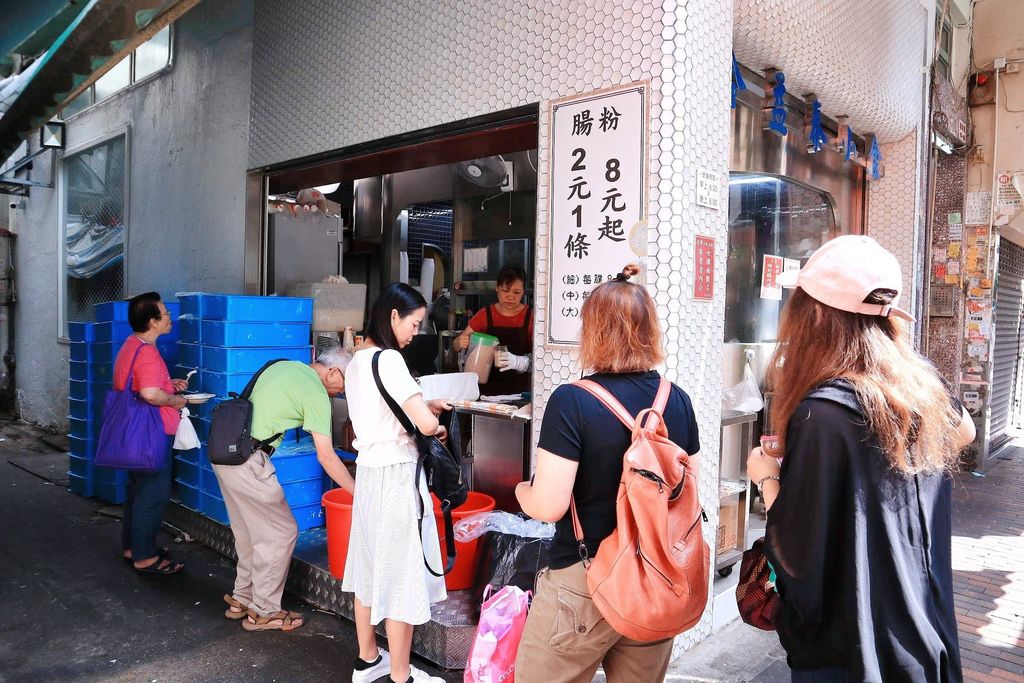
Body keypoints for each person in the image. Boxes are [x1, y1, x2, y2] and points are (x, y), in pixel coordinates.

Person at [745, 235, 976, 682]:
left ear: (813, 314)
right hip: (922, 627)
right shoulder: (919, 385)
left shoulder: (825, 412)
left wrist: (766, 477)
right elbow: (964, 432)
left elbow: (798, 552)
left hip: (856, 646)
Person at [513, 264, 701, 683]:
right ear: (650, 329)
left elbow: (547, 505)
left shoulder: (572, 401)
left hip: (586, 581)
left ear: (592, 332)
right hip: (656, 576)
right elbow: (689, 492)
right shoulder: (678, 401)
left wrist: (521, 489)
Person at [343, 282, 451, 683]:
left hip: (369, 473)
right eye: (414, 323)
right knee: (401, 575)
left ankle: (368, 659)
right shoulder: (389, 360)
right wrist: (435, 421)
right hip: (396, 476)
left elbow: (384, 408)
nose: (415, 333)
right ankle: (401, 675)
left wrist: (422, 402)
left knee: (369, 567)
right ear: (393, 317)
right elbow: (423, 423)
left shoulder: (358, 360)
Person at [213, 347, 356, 632]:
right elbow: (326, 456)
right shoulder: (315, 392)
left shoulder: (285, 366)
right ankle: (264, 611)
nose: (341, 393)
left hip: (225, 454)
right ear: (333, 372)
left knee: (249, 533)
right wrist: (358, 492)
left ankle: (241, 599)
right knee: (281, 531)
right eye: (345, 385)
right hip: (248, 461)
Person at [114, 292, 188, 575]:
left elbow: (143, 384)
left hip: (131, 428)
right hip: (151, 430)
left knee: (137, 490)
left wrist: (169, 385)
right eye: (165, 313)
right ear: (153, 321)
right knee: (153, 493)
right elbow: (148, 392)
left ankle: (133, 546)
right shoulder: (146, 352)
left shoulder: (132, 345)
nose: (169, 316)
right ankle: (145, 556)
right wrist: (174, 400)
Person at [454, 265, 532, 395]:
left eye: (516, 292)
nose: (510, 297)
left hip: (521, 392)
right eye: (505, 291)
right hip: (486, 392)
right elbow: (457, 344)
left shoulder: (531, 316)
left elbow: (541, 356)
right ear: (497, 288)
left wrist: (518, 362)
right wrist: (460, 341)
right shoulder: (486, 314)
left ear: (523, 292)